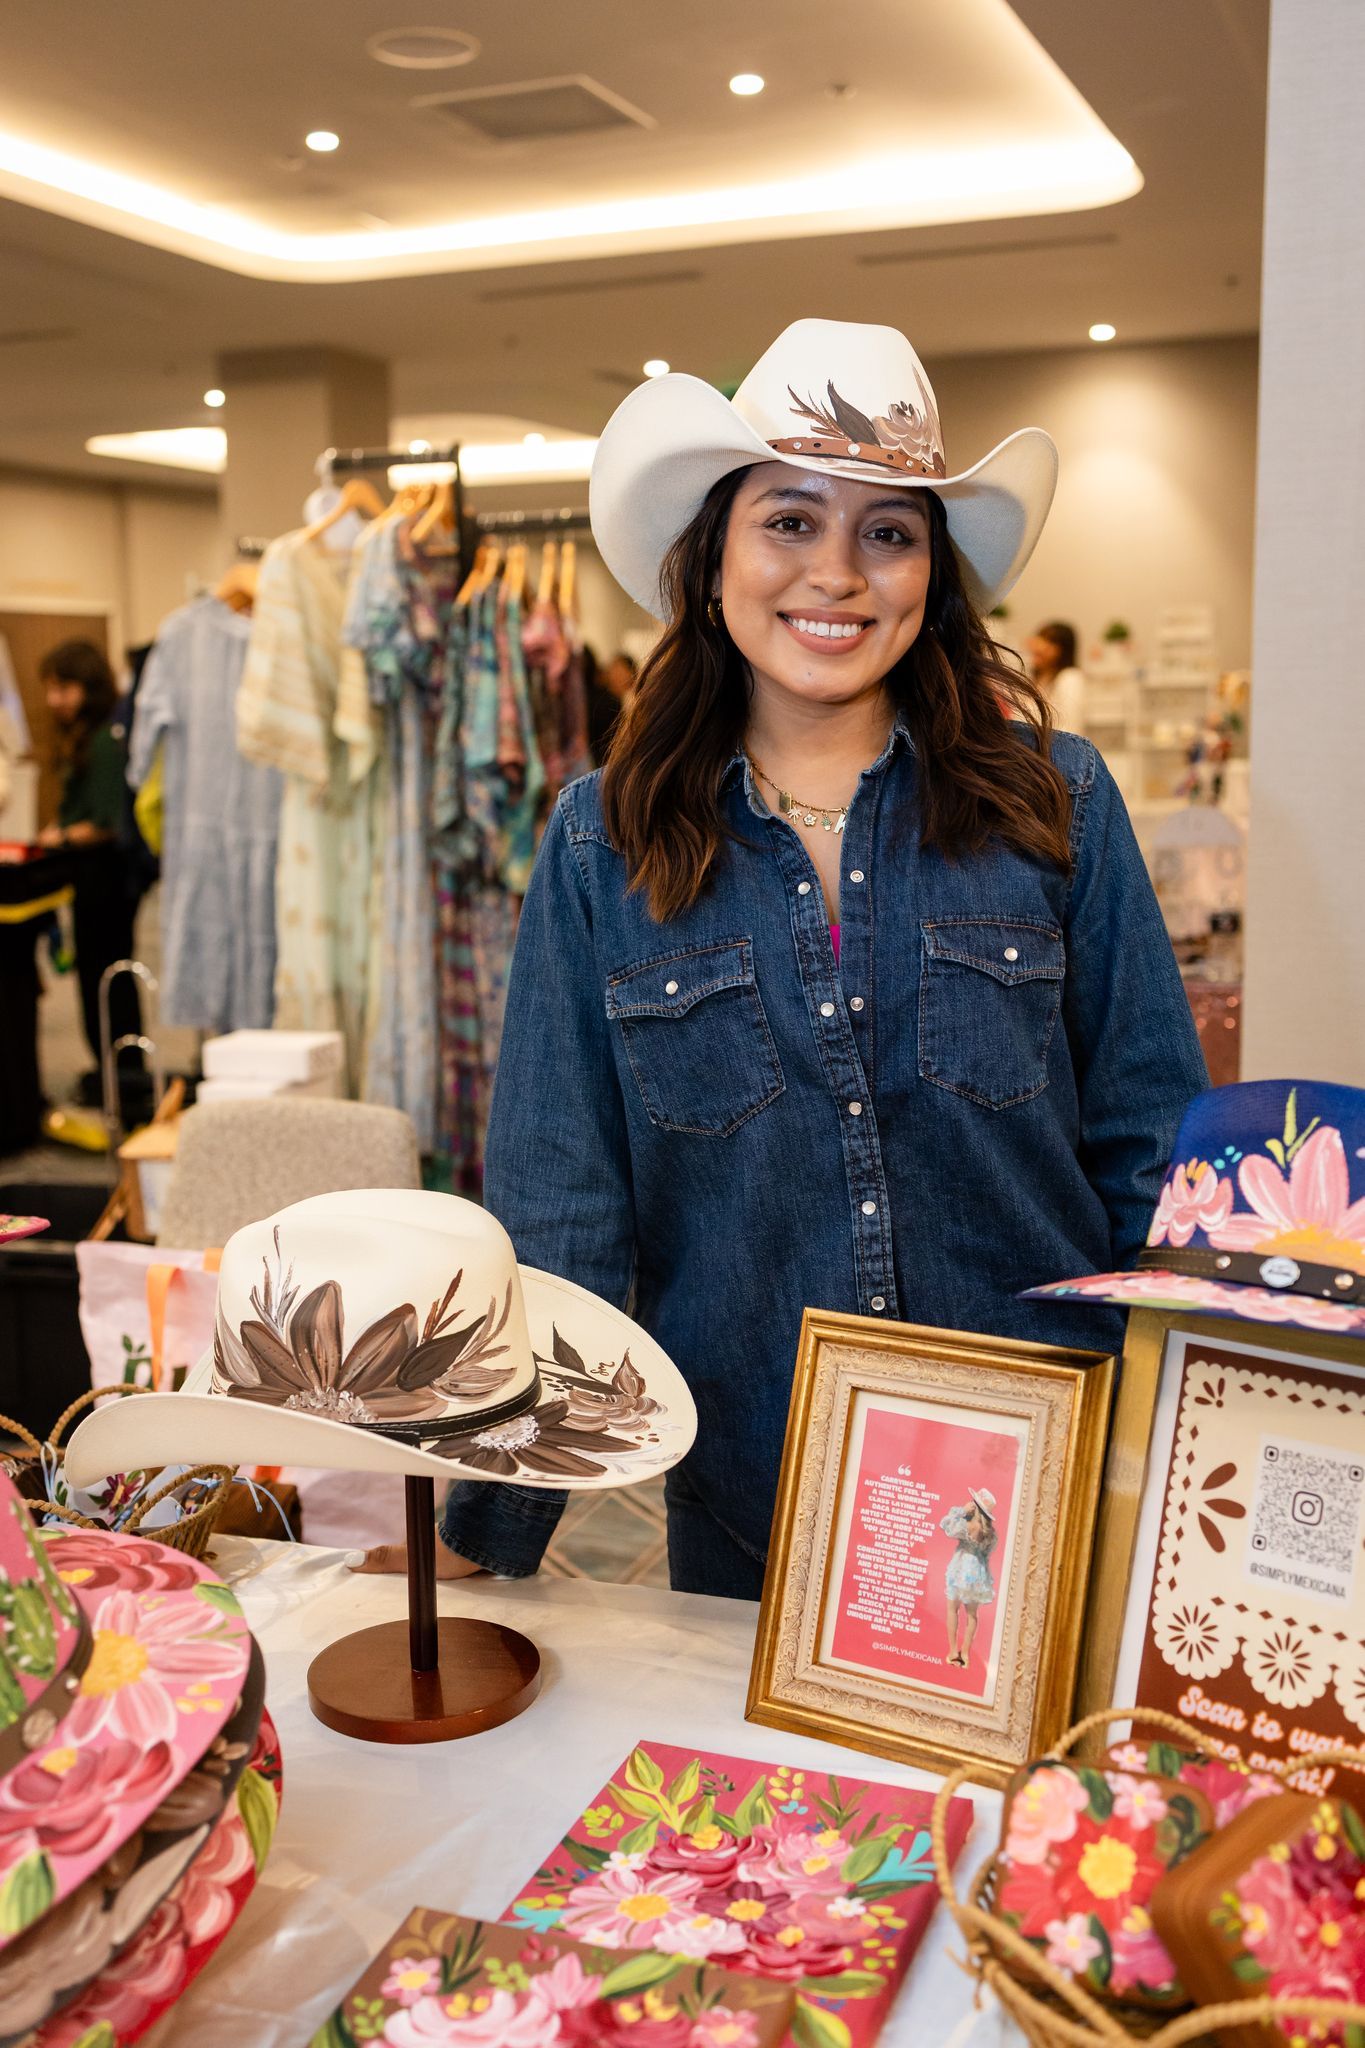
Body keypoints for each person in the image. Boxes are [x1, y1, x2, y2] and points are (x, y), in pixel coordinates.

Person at [358, 317, 1207, 1598]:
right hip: (758, 1515)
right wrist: (489, 1526)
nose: (839, 574)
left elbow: (1154, 1158)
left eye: (889, 531)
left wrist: (1175, 1466)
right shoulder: (603, 845)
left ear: (933, 572)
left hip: (1044, 1494)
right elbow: (566, 1216)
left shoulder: (1058, 799)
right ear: (713, 558)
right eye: (791, 520)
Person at [36, 639, 145, 1101]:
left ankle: (123, 1076)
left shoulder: (104, 739)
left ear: (88, 687)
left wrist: (59, 837)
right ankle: (113, 1072)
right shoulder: (87, 735)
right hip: (92, 877)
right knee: (98, 975)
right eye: (50, 689)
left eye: (63, 688)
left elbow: (106, 822)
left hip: (107, 878)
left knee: (105, 977)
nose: (53, 700)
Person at [940, 1492, 998, 1668]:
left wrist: (961, 1511)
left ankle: (953, 1651)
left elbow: (945, 1525)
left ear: (976, 1507)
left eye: (973, 1502)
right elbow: (987, 1554)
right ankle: (964, 1653)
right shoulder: (990, 1533)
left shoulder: (968, 1525)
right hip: (977, 1573)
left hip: (960, 1569)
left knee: (952, 1609)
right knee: (972, 1615)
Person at [1026, 620, 1086, 734]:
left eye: (1049, 642)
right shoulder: (1039, 677)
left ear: (1063, 650)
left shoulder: (1070, 677)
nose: (1040, 646)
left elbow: (1070, 729)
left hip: (1055, 744)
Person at [585, 647, 638, 764]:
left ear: (631, 673)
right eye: (612, 670)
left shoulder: (635, 701)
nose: (613, 675)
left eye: (619, 670)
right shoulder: (609, 703)